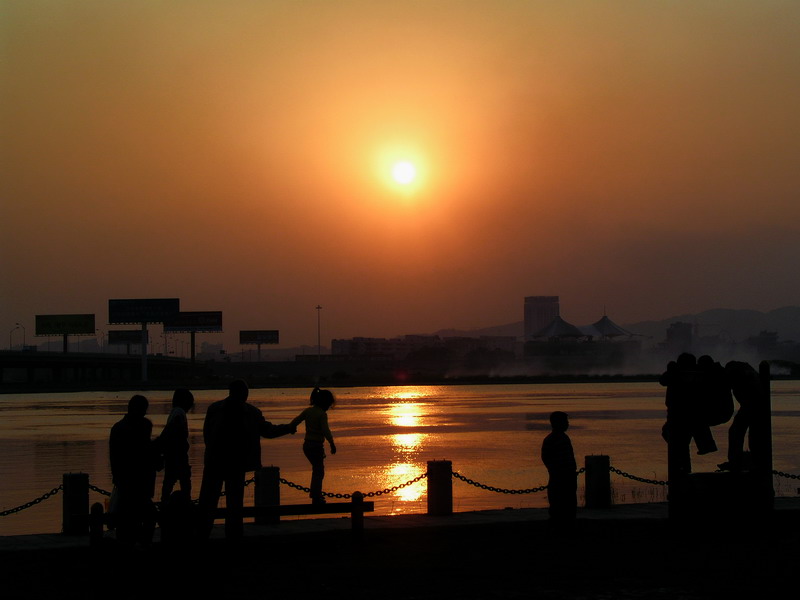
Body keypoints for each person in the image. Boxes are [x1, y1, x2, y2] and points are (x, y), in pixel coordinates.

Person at [197, 379, 295, 540]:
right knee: (231, 505)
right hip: (232, 463)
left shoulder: (215, 409)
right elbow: (268, 431)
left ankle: (206, 536)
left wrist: (287, 428)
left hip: (218, 462)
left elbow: (207, 434)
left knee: (212, 503)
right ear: (244, 394)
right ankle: (226, 536)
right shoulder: (251, 412)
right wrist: (288, 428)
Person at [109, 394, 160, 545]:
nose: (144, 413)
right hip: (134, 482)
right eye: (143, 410)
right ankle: (142, 544)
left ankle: (131, 545)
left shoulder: (119, 428)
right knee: (145, 516)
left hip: (128, 481)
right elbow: (143, 450)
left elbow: (115, 457)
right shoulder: (140, 426)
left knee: (129, 520)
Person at [290, 388, 337, 504]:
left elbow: (296, 420)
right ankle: (316, 497)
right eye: (329, 404)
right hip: (316, 446)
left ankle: (315, 495)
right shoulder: (322, 414)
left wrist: (290, 428)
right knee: (319, 471)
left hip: (307, 446)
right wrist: (332, 444)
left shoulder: (308, 411)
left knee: (317, 469)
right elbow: (326, 431)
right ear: (325, 403)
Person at [156, 388, 194, 504]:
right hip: (178, 454)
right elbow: (172, 429)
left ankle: (165, 503)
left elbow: (167, 431)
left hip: (173, 454)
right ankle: (184, 504)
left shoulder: (175, 412)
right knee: (183, 482)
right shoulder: (179, 412)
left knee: (169, 481)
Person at [541, 411, 577, 529]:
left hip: (567, 475)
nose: (568, 424)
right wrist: (555, 470)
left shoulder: (563, 438)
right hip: (560, 476)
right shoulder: (552, 439)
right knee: (560, 502)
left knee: (569, 502)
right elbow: (546, 458)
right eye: (565, 422)